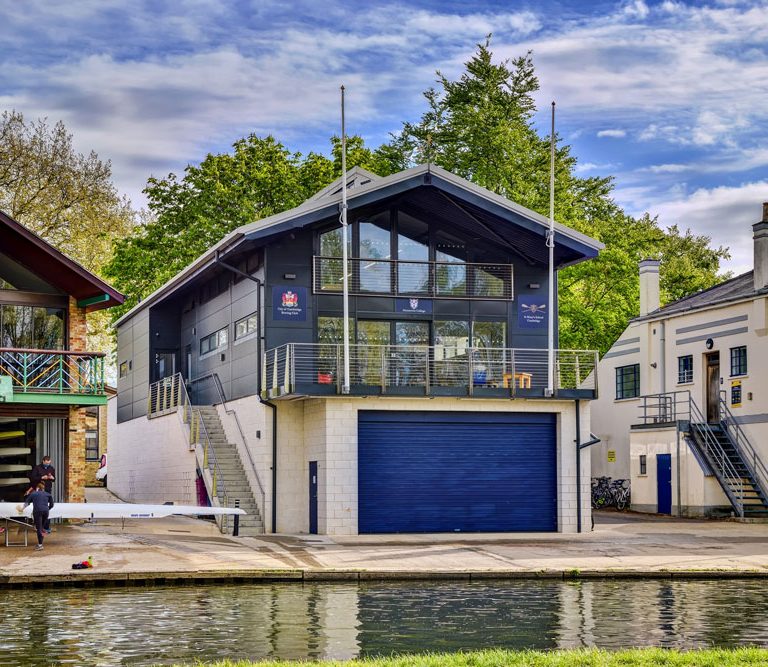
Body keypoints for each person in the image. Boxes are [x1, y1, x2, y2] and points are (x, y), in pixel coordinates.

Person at [22, 482, 54, 551]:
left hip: (37, 512)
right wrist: (47, 509)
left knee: (38, 528)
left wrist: (22, 509)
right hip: (46, 512)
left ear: (37, 488)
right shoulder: (48, 494)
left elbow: (27, 503)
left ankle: (40, 545)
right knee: (41, 528)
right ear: (43, 488)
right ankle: (40, 543)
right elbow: (52, 505)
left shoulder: (33, 494)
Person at [28, 456, 55, 533]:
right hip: (38, 490)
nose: (47, 465)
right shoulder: (37, 468)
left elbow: (54, 479)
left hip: (47, 491)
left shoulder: (51, 468)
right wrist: (42, 477)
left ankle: (46, 527)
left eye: (49, 463)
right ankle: (37, 526)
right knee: (38, 507)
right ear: (43, 461)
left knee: (46, 508)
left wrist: (52, 478)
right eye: (46, 463)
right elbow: (33, 478)